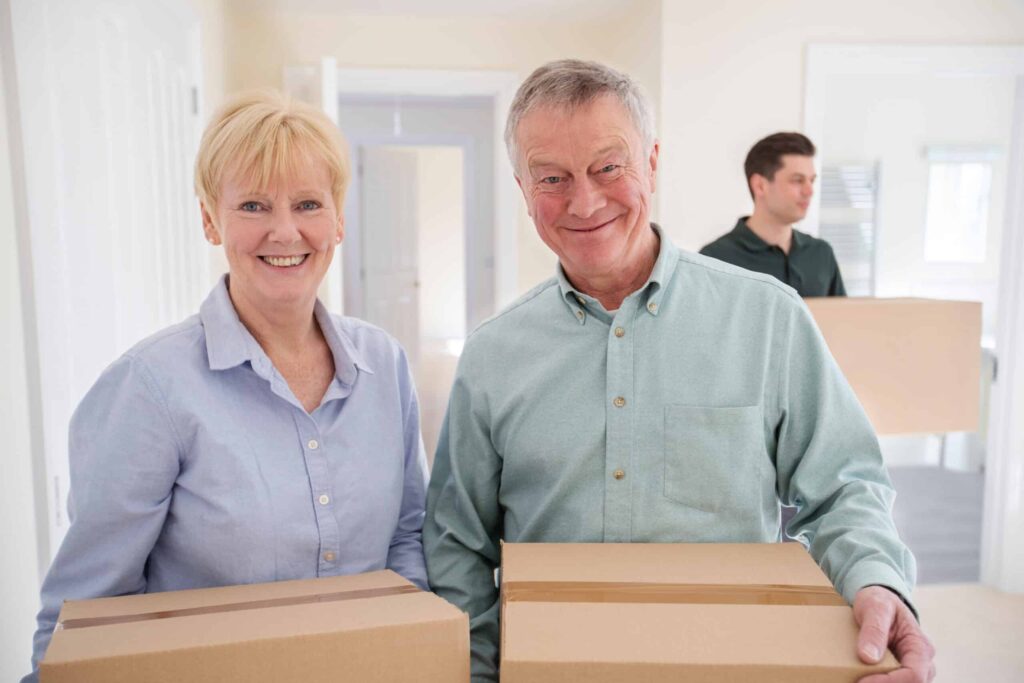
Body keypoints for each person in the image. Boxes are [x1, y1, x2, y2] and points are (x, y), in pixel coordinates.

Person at [424, 60, 934, 683]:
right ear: (522, 188)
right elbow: (458, 544)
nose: (584, 201)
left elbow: (844, 487)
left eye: (609, 167)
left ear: (653, 163)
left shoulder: (768, 318)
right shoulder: (493, 355)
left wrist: (878, 579)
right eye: (551, 177)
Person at [23, 90, 429, 681]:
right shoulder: (149, 387)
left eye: (309, 203)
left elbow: (406, 539)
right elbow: (84, 618)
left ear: (339, 219)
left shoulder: (384, 364)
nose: (285, 232)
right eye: (254, 206)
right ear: (211, 220)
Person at [700, 132, 846, 297]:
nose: (809, 191)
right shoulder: (714, 260)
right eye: (797, 180)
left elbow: (843, 321)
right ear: (760, 185)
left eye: (811, 180)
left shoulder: (821, 254)